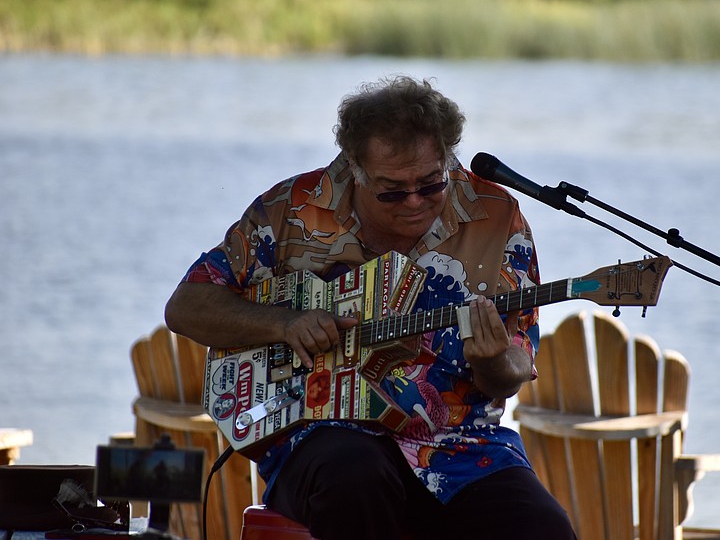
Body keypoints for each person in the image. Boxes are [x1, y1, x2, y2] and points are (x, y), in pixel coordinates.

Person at [164, 75, 577, 540]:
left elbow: (516, 363)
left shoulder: (497, 215)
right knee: (354, 480)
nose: (415, 201)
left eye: (430, 183)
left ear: (448, 158)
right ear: (355, 168)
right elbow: (186, 305)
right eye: (392, 191)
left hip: (463, 447)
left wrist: (495, 363)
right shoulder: (291, 211)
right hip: (323, 434)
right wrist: (284, 322)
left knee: (542, 527)